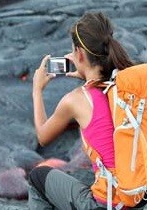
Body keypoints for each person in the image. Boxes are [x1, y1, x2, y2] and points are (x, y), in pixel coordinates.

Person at [27, 12, 146, 210]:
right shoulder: (128, 89)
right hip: (139, 196)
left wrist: (37, 90)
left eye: (73, 52)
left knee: (38, 178)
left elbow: (42, 136)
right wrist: (86, 75)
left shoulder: (75, 100)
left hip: (106, 204)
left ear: (79, 54)